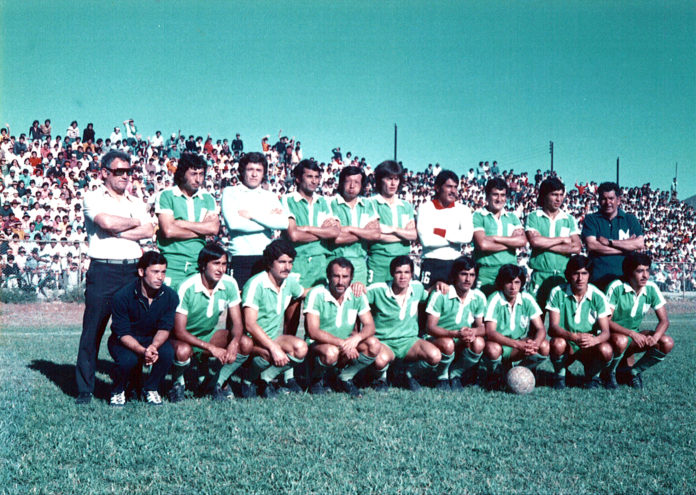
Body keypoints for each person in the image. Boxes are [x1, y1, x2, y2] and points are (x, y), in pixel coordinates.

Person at [75, 150, 154, 404]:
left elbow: (149, 229)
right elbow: (105, 221)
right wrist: (132, 224)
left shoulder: (135, 200)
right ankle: (85, 389)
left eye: (128, 171)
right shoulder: (92, 196)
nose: (125, 176)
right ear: (105, 173)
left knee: (133, 331)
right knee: (93, 330)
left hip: (132, 270)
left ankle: (132, 385)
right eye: (119, 171)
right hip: (104, 270)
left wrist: (119, 230)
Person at [169, 242, 252, 402]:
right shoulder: (186, 286)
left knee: (245, 343)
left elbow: (237, 323)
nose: (221, 269)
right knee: (183, 351)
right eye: (215, 264)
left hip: (207, 336)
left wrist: (234, 342)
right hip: (181, 339)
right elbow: (179, 331)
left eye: (224, 264)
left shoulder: (229, 283)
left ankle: (216, 383)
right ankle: (177, 383)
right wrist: (211, 348)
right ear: (202, 265)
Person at [107, 251, 178, 406]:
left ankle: (151, 388)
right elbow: (122, 332)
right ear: (141, 272)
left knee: (167, 353)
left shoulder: (170, 296)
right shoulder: (122, 296)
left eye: (163, 272)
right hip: (124, 340)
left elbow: (165, 328)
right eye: (155, 272)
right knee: (128, 360)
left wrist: (153, 346)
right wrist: (142, 351)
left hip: (151, 339)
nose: (160, 277)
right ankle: (118, 390)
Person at [304, 257, 382, 397]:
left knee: (374, 344)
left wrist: (357, 338)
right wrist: (343, 343)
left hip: (346, 344)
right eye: (336, 276)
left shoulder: (357, 294)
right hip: (319, 345)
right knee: (331, 352)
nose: (340, 281)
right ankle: (317, 378)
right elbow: (313, 331)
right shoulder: (316, 293)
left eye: (345, 277)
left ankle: (344, 377)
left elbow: (370, 326)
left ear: (351, 278)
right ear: (328, 277)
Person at [241, 239, 309, 398]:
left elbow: (304, 292)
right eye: (282, 262)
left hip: (271, 339)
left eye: (290, 262)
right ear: (270, 263)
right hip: (250, 342)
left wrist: (330, 286)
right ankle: (247, 379)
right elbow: (250, 325)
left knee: (301, 348)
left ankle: (266, 379)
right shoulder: (255, 284)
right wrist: (273, 348)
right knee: (268, 354)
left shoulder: (289, 282)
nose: (287, 267)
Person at [282, 159, 340, 336]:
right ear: (298, 179)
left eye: (317, 177)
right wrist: (322, 232)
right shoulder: (287, 200)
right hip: (296, 259)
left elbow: (335, 232)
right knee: (292, 311)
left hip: (320, 262)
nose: (314, 181)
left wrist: (306, 228)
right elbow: (293, 235)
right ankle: (288, 352)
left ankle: (311, 356)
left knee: (316, 311)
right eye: (309, 176)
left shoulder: (324, 201)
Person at [367, 255, 440, 391]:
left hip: (409, 341)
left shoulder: (417, 288)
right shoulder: (378, 289)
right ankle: (381, 378)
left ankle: (409, 374)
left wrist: (437, 285)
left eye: (406, 272)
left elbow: (426, 295)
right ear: (391, 274)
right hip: (384, 341)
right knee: (380, 360)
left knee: (435, 356)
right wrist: (357, 286)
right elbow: (357, 298)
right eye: (398, 272)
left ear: (412, 274)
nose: (403, 277)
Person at [603, 253, 673, 389]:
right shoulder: (616, 286)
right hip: (611, 336)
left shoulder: (651, 288)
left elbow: (664, 321)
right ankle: (609, 373)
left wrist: (655, 337)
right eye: (640, 271)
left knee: (666, 342)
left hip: (632, 336)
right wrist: (631, 333)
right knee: (621, 340)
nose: (645, 275)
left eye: (647, 270)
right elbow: (605, 321)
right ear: (629, 272)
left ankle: (634, 372)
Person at [220, 152, 288, 288]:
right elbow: (234, 224)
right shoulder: (230, 192)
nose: (254, 174)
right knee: (239, 305)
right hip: (240, 256)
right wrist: (269, 220)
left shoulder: (270, 196)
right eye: (250, 169)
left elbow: (283, 223)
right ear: (242, 171)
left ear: (264, 173)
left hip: (266, 257)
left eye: (259, 170)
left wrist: (252, 216)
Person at [546, 255, 613, 389]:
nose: (580, 278)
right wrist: (573, 337)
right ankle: (560, 375)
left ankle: (593, 376)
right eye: (576, 273)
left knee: (606, 349)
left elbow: (606, 332)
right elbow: (552, 328)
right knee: (557, 343)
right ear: (569, 275)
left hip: (589, 344)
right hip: (568, 341)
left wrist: (594, 340)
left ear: (589, 275)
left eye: (584, 273)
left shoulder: (598, 296)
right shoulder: (557, 292)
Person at [155, 152, 219, 290]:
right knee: (170, 308)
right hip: (172, 264)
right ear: (182, 173)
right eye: (193, 174)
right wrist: (202, 230)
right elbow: (168, 231)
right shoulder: (166, 195)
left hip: (199, 265)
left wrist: (181, 223)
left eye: (201, 174)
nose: (198, 179)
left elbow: (213, 229)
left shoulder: (208, 199)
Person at [480, 264, 549, 389]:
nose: (513, 287)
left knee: (544, 346)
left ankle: (519, 372)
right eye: (509, 282)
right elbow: (490, 332)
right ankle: (493, 375)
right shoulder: (495, 299)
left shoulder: (527, 298)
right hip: (499, 344)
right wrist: (517, 344)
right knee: (493, 349)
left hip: (517, 345)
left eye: (517, 282)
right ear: (502, 283)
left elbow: (540, 328)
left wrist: (535, 344)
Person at [425, 256, 486, 389]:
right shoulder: (441, 294)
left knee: (479, 342)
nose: (468, 279)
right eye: (463, 274)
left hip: (460, 338)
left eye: (472, 275)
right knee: (447, 343)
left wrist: (471, 332)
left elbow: (481, 327)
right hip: (439, 339)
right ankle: (442, 376)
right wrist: (455, 333)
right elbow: (430, 327)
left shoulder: (478, 297)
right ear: (455, 275)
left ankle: (456, 374)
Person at [525, 178, 581, 309]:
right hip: (540, 274)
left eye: (561, 195)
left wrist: (545, 244)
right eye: (554, 194)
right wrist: (562, 240)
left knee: (560, 321)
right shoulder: (534, 216)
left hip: (562, 276)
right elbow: (534, 242)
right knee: (536, 320)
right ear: (545, 195)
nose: (559, 199)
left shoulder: (569, 219)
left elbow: (576, 247)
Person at [581, 182, 644, 290]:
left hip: (626, 280)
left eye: (611, 198)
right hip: (598, 280)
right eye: (603, 199)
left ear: (618, 200)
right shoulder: (591, 219)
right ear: (599, 200)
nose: (607, 202)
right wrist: (625, 248)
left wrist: (610, 242)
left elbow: (639, 243)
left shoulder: (630, 219)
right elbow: (592, 245)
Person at [417, 170, 473, 288]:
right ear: (437, 188)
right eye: (448, 186)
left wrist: (439, 231)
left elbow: (467, 237)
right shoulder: (425, 208)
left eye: (455, 187)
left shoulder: (463, 210)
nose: (453, 191)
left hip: (454, 263)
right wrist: (455, 238)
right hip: (431, 262)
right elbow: (426, 240)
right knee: (426, 300)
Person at [472, 178, 526, 296]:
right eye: (495, 194)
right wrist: (511, 242)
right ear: (487, 196)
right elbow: (483, 245)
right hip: (486, 273)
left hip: (509, 274)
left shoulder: (512, 217)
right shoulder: (478, 216)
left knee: (507, 311)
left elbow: (522, 241)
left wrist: (495, 238)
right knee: (484, 311)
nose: (499, 199)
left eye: (502, 195)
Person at [367, 161, 417, 285]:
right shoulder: (370, 203)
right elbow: (376, 234)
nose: (393, 183)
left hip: (402, 262)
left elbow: (414, 235)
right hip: (379, 261)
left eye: (396, 179)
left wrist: (392, 229)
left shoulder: (405, 205)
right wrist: (403, 235)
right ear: (380, 180)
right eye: (389, 179)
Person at [329, 166, 380, 285]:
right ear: (341, 183)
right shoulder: (330, 203)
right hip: (335, 262)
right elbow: (337, 238)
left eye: (357, 182)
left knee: (357, 299)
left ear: (362, 184)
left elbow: (376, 234)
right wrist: (364, 232)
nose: (352, 185)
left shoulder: (368, 204)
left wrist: (349, 229)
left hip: (359, 264)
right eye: (348, 181)